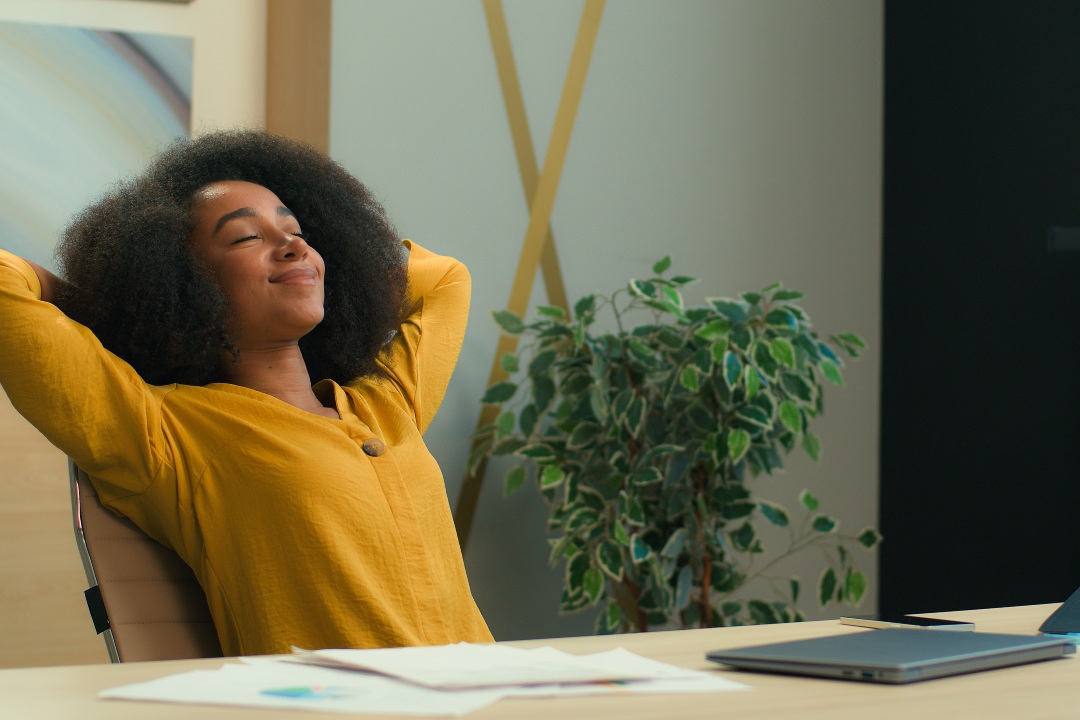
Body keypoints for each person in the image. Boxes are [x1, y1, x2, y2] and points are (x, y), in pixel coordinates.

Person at [0, 129, 492, 656]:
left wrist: (348, 278)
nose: (294, 246)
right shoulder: (162, 434)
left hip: (496, 695)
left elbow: (445, 281)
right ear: (185, 285)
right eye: (246, 238)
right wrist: (106, 309)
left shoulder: (386, 405)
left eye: (297, 231)